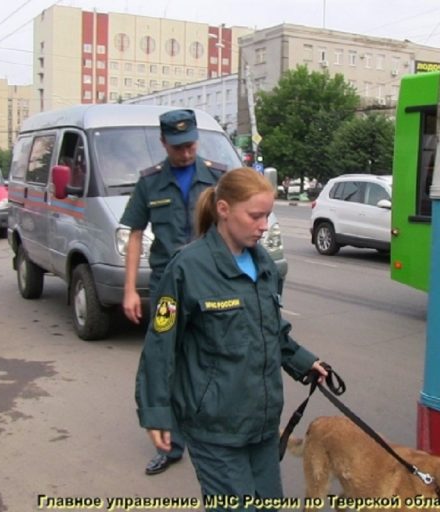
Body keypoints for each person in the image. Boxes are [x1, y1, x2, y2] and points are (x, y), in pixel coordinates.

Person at [135, 167, 329, 510]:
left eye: (267, 215)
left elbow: (270, 329)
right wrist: (156, 412)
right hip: (215, 428)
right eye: (255, 215)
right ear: (223, 209)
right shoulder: (186, 268)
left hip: (262, 423)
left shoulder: (265, 264)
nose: (264, 225)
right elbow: (160, 347)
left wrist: (304, 362)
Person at [120, 108, 228, 476]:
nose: (186, 152)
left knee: (215, 356)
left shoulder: (217, 177)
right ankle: (172, 444)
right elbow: (134, 233)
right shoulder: (149, 183)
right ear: (164, 143)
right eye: (178, 146)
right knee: (166, 360)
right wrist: (130, 289)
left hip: (210, 284)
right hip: (167, 288)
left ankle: (216, 432)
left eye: (191, 144)